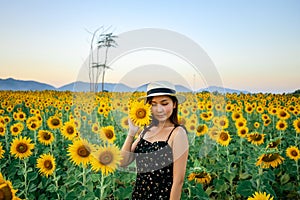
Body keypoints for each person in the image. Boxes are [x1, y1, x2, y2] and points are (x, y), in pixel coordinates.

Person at [120, 81, 189, 200]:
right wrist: (131, 133)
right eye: (153, 104)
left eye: (164, 103)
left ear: (174, 104)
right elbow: (123, 162)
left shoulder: (177, 133)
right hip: (139, 195)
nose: (159, 109)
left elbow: (178, 181)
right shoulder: (146, 130)